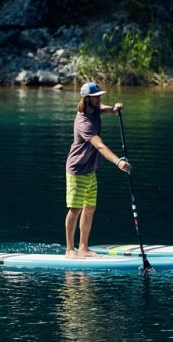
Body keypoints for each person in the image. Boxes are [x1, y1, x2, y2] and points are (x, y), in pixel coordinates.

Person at [65, 82, 131, 258]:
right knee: (75, 209)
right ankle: (70, 249)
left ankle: (84, 247)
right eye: (96, 96)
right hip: (77, 170)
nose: (100, 98)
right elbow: (100, 146)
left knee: (90, 208)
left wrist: (114, 109)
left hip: (91, 169)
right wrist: (118, 162)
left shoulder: (93, 108)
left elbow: (103, 108)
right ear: (87, 99)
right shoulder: (83, 122)